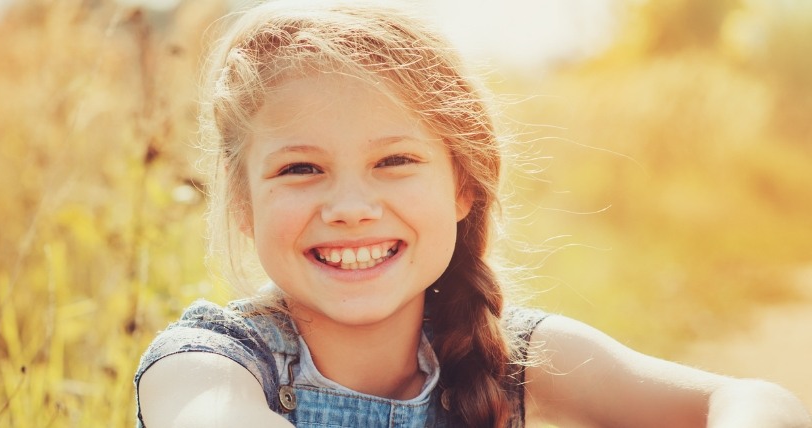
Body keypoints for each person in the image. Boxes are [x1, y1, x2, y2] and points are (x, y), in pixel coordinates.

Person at [132, 1, 812, 427]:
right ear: (244, 204)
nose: (349, 208)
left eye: (394, 161)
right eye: (300, 169)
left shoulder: (507, 356)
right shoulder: (209, 366)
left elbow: (754, 400)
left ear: (464, 185)